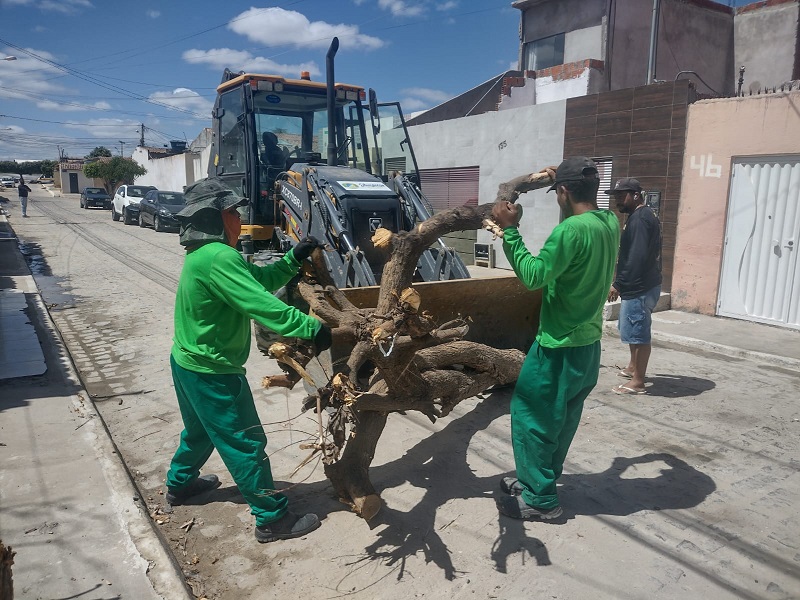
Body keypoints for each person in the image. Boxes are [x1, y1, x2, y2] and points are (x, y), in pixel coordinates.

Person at [165, 177, 331, 543]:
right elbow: (260, 304)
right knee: (245, 442)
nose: (239, 219)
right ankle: (271, 519)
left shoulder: (206, 256)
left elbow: (256, 280)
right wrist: (310, 326)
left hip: (187, 362)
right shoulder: (218, 257)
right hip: (212, 372)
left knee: (198, 432)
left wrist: (292, 258)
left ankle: (180, 486)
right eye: (232, 213)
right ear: (215, 218)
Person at [491, 157, 620, 520]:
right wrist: (561, 180)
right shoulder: (609, 222)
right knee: (560, 422)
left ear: (562, 192)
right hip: (588, 347)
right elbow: (576, 230)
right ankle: (538, 479)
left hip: (557, 348)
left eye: (558, 194)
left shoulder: (568, 233)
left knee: (531, 418)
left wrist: (510, 230)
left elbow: (533, 276)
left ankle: (540, 500)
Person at [605, 178, 662, 395]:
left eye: (622, 195)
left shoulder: (639, 220)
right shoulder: (642, 215)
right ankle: (632, 367)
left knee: (638, 333)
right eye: (616, 195)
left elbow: (636, 257)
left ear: (636, 195)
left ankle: (638, 382)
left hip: (639, 287)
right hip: (643, 284)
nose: (618, 199)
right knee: (630, 329)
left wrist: (617, 284)